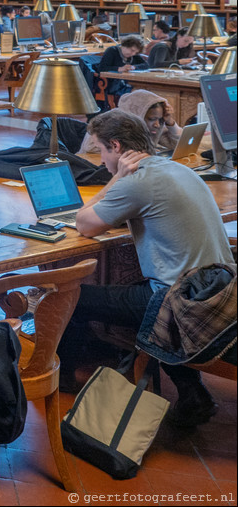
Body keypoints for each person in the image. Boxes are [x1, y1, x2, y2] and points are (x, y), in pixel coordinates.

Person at [63, 110, 230, 427]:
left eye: (100, 150)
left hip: (183, 302)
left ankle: (63, 383)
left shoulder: (136, 182)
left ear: (115, 146)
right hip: (219, 292)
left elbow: (83, 223)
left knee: (71, 297)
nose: (100, 161)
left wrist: (116, 178)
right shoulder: (178, 169)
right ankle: (192, 394)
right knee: (155, 299)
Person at [78, 89, 182, 155]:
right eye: (151, 119)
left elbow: (178, 145)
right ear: (137, 114)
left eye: (160, 119)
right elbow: (90, 148)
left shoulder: (154, 128)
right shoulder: (107, 122)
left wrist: (170, 122)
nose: (157, 125)